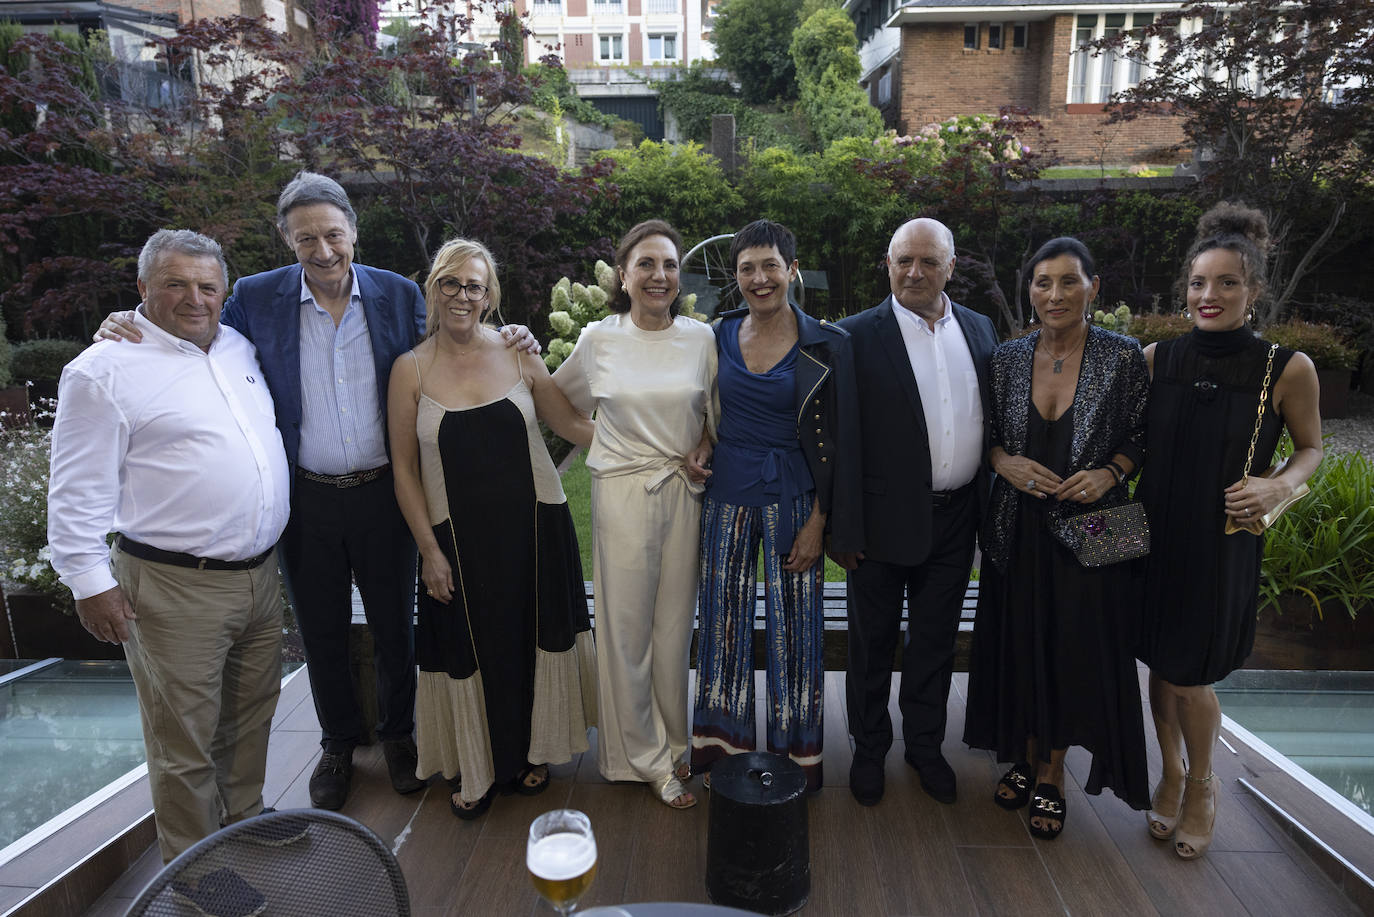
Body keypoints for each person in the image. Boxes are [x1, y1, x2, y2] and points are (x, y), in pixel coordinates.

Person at [94, 171, 538, 811]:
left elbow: (455, 340)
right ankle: (337, 743)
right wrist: (129, 319)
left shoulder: (395, 294)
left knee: (395, 628)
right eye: (307, 238)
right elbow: (192, 325)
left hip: (386, 493)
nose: (323, 250)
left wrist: (515, 335)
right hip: (304, 501)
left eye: (333, 234)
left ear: (353, 231)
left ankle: (398, 737)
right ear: (287, 240)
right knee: (320, 629)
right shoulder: (254, 296)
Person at [48, 230, 290, 861]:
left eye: (208, 286)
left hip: (259, 577)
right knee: (182, 736)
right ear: (142, 291)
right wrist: (88, 582)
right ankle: (193, 867)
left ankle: (246, 814)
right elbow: (73, 492)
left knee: (251, 712)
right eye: (175, 284)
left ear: (224, 291)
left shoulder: (237, 346)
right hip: (172, 584)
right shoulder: (103, 370)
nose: (195, 298)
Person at [388, 238, 598, 820]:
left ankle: (532, 753)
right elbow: (403, 471)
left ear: (489, 295)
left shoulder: (518, 352)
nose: (461, 295)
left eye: (474, 285)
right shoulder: (409, 370)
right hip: (455, 542)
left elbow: (571, 425)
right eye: (450, 283)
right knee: (470, 648)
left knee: (528, 643)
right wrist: (427, 552)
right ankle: (479, 768)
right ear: (432, 288)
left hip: (535, 529)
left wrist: (655, 434)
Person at [1137, 202, 1321, 859]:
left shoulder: (1285, 369)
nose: (1207, 296)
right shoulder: (1158, 358)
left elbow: (1311, 451)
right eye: (1197, 282)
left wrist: (1279, 484)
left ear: (1255, 290)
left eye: (1226, 283)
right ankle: (1171, 770)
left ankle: (1205, 780)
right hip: (1155, 535)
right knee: (1159, 661)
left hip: (1222, 542)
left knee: (1192, 674)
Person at [962, 237, 1150, 840]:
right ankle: (1022, 752)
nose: (1055, 294)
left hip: (1089, 537)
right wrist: (1001, 462)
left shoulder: (1122, 358)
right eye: (1043, 283)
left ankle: (1052, 772)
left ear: (1094, 288)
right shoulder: (1007, 359)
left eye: (1069, 281)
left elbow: (1144, 435)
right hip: (1015, 531)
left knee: (1072, 649)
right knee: (1018, 641)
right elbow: (986, 433)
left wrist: (1111, 471)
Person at [690, 220, 862, 794]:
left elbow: (840, 442)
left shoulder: (827, 343)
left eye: (770, 266)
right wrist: (704, 440)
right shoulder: (717, 335)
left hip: (796, 497)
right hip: (727, 493)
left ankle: (797, 757)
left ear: (792, 269)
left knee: (796, 629)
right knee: (723, 622)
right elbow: (705, 407)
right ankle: (723, 750)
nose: (759, 279)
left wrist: (821, 521)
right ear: (735, 277)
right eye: (747, 269)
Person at [833, 217, 997, 807]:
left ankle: (925, 747)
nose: (914, 272)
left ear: (951, 267)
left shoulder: (980, 329)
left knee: (934, 642)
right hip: (877, 525)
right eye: (904, 260)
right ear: (888, 262)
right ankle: (869, 748)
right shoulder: (853, 336)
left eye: (928, 261)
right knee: (871, 645)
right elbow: (840, 443)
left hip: (957, 520)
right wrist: (841, 525)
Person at [553, 219, 716, 810]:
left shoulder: (701, 338)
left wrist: (704, 444)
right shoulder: (600, 339)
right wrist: (595, 438)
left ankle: (674, 746)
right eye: (646, 264)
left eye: (669, 265)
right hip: (623, 493)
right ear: (623, 275)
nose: (659, 275)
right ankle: (639, 758)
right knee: (625, 632)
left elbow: (712, 414)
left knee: (674, 631)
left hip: (683, 492)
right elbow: (553, 396)